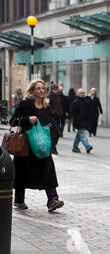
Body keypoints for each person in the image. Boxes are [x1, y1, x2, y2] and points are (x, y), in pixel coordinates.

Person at [10, 79, 64, 212]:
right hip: (26, 145)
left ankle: (53, 199)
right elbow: (13, 120)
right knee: (22, 172)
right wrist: (27, 119)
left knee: (48, 170)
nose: (41, 91)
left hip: (41, 145)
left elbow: (46, 123)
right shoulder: (25, 104)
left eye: (43, 88)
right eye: (38, 88)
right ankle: (19, 200)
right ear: (32, 91)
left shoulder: (46, 106)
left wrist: (55, 132)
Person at [70, 89, 93, 154]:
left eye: (83, 93)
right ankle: (87, 146)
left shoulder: (85, 101)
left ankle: (75, 148)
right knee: (82, 135)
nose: (82, 94)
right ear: (78, 94)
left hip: (84, 121)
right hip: (78, 121)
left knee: (78, 136)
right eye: (81, 93)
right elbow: (72, 111)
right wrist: (74, 119)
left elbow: (88, 110)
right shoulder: (75, 102)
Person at [48, 83, 63, 155]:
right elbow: (47, 106)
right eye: (56, 89)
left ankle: (52, 146)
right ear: (53, 89)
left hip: (57, 116)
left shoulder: (57, 96)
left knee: (57, 132)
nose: (57, 90)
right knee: (57, 131)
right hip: (51, 116)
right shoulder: (49, 96)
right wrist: (52, 111)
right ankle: (51, 146)